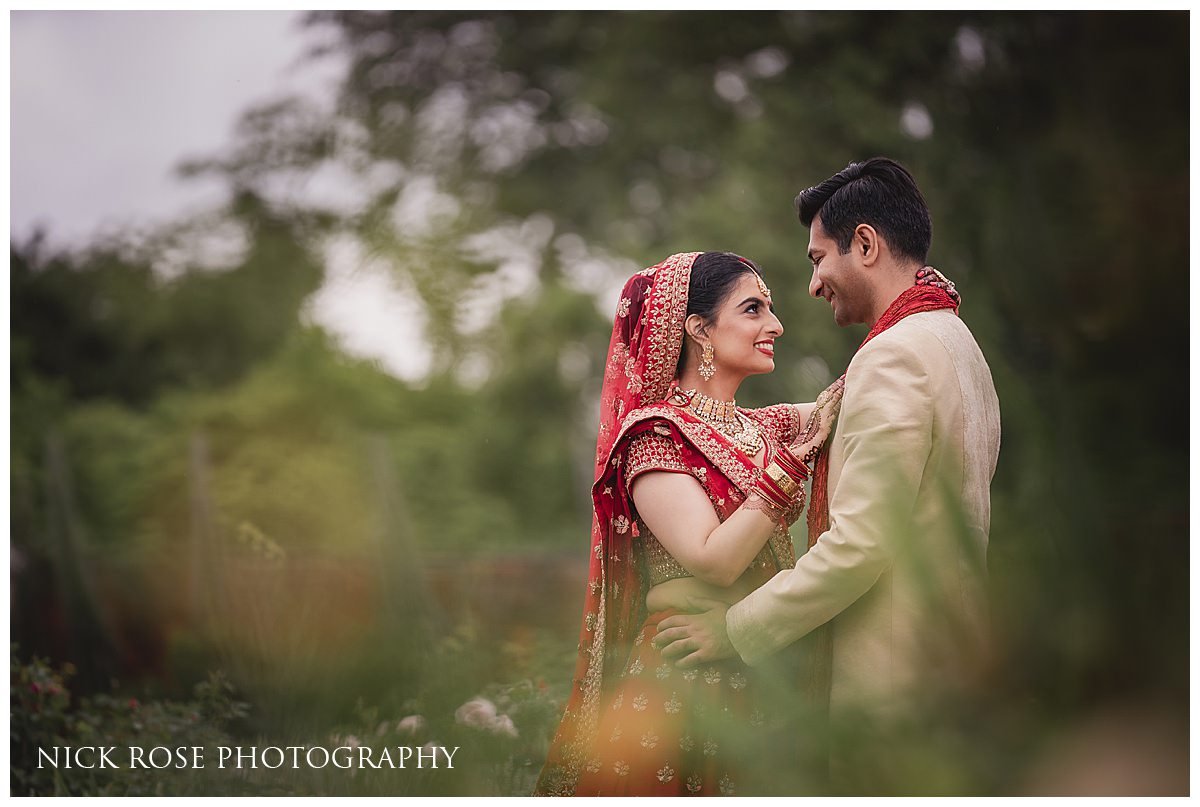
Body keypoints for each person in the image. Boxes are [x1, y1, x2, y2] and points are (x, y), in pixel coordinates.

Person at [535, 248, 958, 796]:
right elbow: (714, 559)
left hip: (754, 670)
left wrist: (918, 301)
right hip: (686, 684)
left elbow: (854, 394)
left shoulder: (759, 428)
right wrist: (785, 472)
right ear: (698, 330)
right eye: (753, 310)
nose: (775, 325)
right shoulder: (653, 437)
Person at [653, 158, 1002, 791]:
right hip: (958, 658)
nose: (813, 284)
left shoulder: (893, 357)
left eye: (818, 260)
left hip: (895, 676)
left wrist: (734, 630)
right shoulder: (956, 340)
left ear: (865, 244)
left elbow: (860, 544)